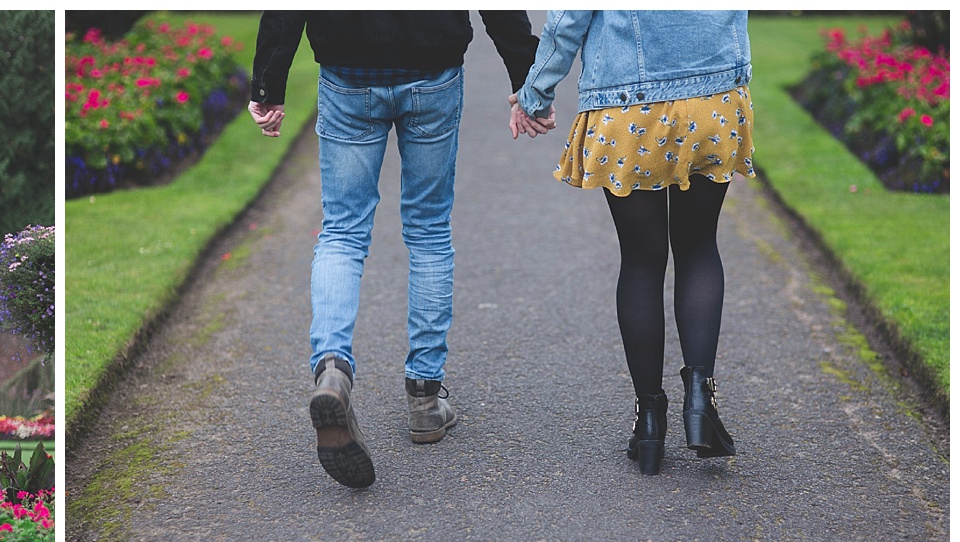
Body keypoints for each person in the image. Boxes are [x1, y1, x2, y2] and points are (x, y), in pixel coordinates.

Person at [249, 11, 539, 488]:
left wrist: (267, 85)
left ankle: (332, 369)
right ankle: (425, 399)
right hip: (432, 73)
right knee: (428, 230)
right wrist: (528, 80)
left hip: (348, 74)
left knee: (342, 231)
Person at [509, 10, 751, 475]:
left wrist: (535, 94)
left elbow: (567, 18)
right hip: (714, 102)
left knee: (641, 261)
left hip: (626, 105)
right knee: (699, 245)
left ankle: (650, 422)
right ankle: (700, 402)